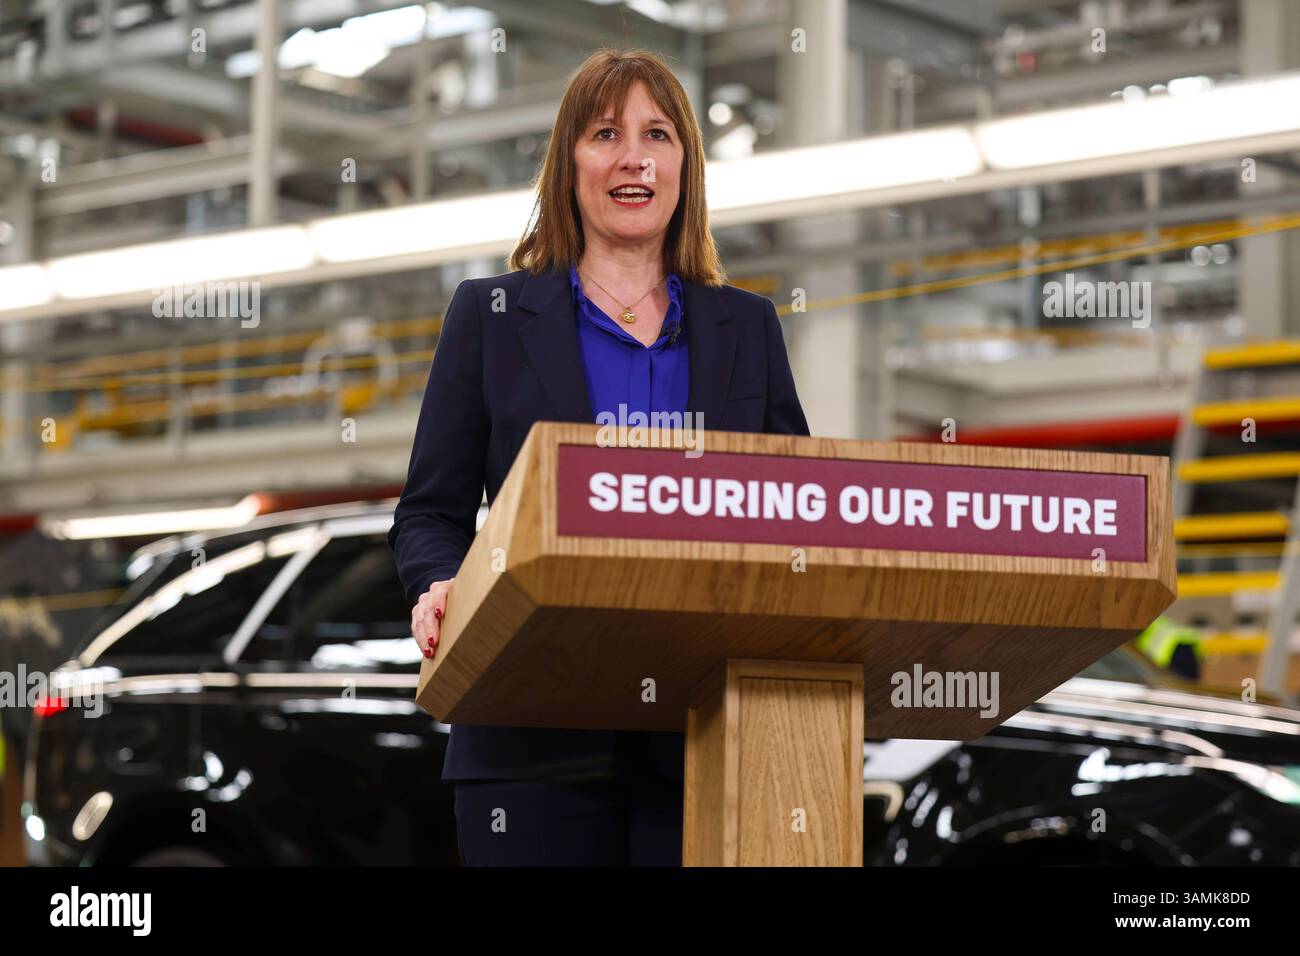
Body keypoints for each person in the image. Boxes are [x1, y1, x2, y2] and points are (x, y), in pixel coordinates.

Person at [388, 48, 810, 866]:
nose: (633, 157)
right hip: (528, 736)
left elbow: (792, 506)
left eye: (658, 134)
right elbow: (430, 513)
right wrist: (442, 584)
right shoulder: (491, 316)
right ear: (568, 165)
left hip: (704, 738)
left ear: (684, 165)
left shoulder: (746, 327)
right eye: (605, 133)